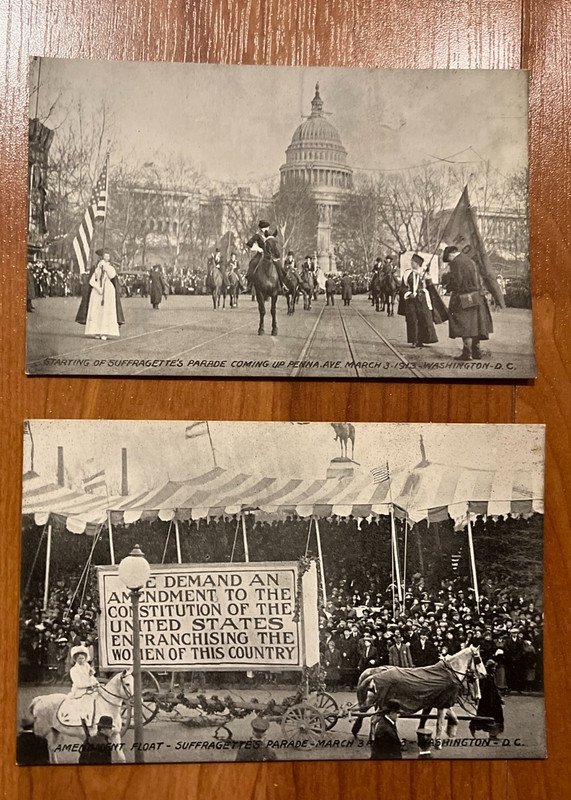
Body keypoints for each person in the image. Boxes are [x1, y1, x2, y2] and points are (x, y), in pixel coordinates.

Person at [442, 245, 493, 361]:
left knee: (464, 325)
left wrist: (448, 286)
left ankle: (467, 353)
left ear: (451, 254)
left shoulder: (456, 263)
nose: (449, 262)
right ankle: (476, 352)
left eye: (448, 260)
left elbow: (457, 282)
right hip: (476, 296)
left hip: (463, 296)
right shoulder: (469, 260)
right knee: (474, 324)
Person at [76, 250, 124, 339]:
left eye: (108, 256)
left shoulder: (111, 268)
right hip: (97, 291)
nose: (106, 257)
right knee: (97, 311)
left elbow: (112, 276)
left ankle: (105, 332)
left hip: (108, 290)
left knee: (106, 311)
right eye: (104, 256)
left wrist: (105, 268)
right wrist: (98, 288)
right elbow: (91, 280)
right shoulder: (96, 268)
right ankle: (97, 331)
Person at [399, 253, 439, 348]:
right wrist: (408, 294)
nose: (412, 264)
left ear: (418, 264)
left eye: (414, 262)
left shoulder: (424, 273)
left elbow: (429, 285)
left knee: (424, 319)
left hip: (422, 299)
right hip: (411, 300)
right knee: (412, 319)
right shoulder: (407, 273)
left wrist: (427, 275)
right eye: (411, 262)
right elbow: (403, 287)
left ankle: (422, 340)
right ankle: (414, 340)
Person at [469, 659, 504, 739]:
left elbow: (494, 689)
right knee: (484, 716)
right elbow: (481, 689)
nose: (494, 669)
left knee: (497, 716)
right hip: (486, 700)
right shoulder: (485, 677)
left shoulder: (491, 676)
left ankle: (493, 734)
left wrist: (499, 698)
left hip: (494, 700)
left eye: (495, 667)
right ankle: (473, 726)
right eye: (492, 667)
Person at [245, 220, 270, 289]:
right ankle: (249, 285)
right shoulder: (257, 235)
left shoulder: (269, 235)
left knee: (278, 265)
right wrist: (258, 249)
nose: (268, 229)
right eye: (267, 228)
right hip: (261, 254)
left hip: (270, 255)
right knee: (253, 263)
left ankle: (282, 284)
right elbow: (249, 243)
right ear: (263, 228)